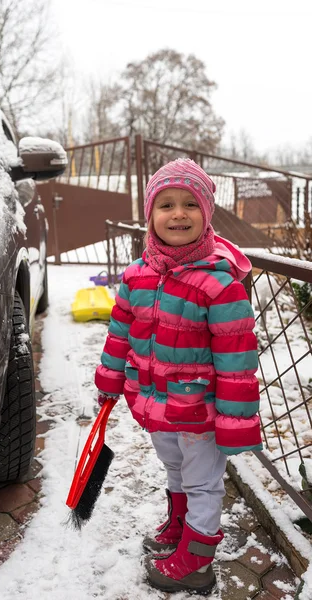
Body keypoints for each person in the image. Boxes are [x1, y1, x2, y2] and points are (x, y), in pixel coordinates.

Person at [94, 158, 262, 595]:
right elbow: (119, 333)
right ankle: (179, 524)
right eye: (166, 204)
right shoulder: (137, 275)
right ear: (150, 215)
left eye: (190, 204)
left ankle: (197, 561)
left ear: (206, 215)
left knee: (204, 482)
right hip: (156, 403)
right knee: (174, 469)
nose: (178, 213)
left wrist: (234, 421)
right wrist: (111, 380)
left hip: (201, 412)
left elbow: (237, 359)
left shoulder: (220, 285)